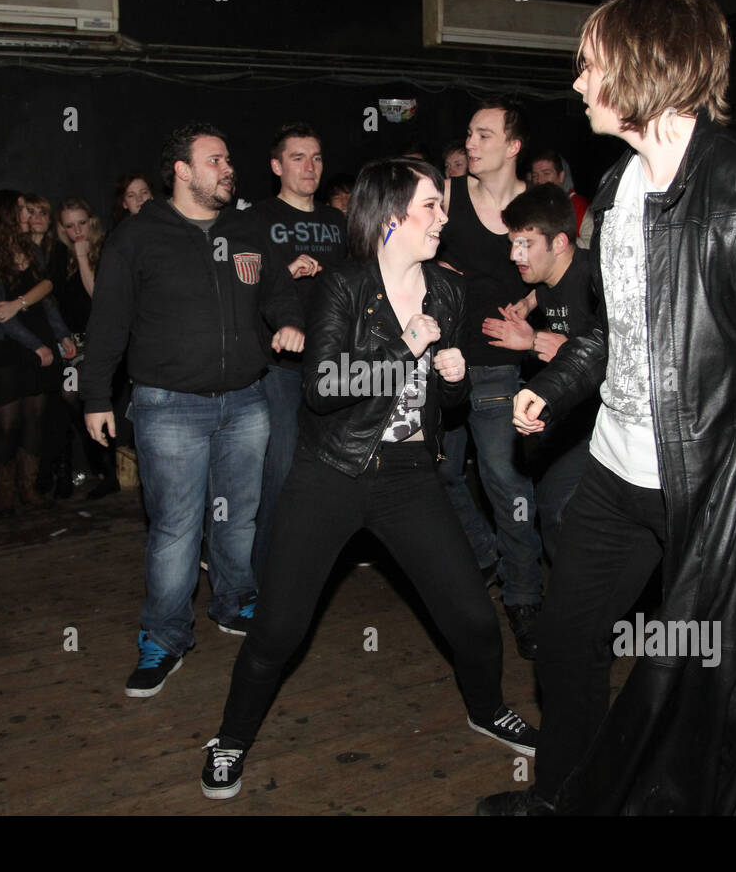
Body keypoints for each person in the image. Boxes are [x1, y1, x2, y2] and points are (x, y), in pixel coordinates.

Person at [479, 0, 736, 816]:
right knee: (565, 641)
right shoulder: (620, 189)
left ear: (639, 68)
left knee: (716, 691)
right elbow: (611, 329)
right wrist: (552, 388)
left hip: (718, 490)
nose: (579, 85)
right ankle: (565, 797)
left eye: (589, 66)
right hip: (615, 476)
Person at [200, 158, 537, 800]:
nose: (444, 216)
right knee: (278, 629)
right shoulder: (343, 286)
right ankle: (231, 738)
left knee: (473, 619)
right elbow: (324, 388)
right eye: (432, 205)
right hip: (331, 473)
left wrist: (455, 379)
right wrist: (401, 348)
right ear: (391, 215)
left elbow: (446, 405)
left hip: (410, 475)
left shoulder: (448, 290)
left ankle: (486, 707)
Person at [82, 122, 305, 699]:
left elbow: (278, 289)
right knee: (177, 530)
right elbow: (107, 322)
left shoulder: (247, 226)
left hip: (247, 401)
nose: (228, 168)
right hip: (168, 407)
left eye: (228, 159)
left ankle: (233, 602)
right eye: (215, 160)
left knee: (239, 518)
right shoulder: (138, 236)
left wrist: (288, 320)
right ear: (182, 171)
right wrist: (95, 398)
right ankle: (163, 637)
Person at [436, 97, 545, 659]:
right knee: (438, 473)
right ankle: (484, 557)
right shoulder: (448, 198)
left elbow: (560, 271)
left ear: (512, 146)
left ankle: (525, 596)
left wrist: (527, 306)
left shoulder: (536, 206)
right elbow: (404, 253)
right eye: (469, 135)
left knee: (505, 481)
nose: (470, 145)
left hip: (501, 366)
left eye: (482, 136)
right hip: (445, 361)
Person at [249, 123, 347, 587]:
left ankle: (310, 570)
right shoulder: (257, 220)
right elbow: (244, 291)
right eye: (297, 158)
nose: (309, 167)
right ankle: (265, 576)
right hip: (281, 369)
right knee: (282, 471)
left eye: (316, 157)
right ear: (276, 166)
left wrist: (326, 271)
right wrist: (284, 275)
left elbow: (358, 287)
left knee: (330, 474)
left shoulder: (338, 222)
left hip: (334, 367)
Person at [480, 185, 599, 560]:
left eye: (526, 244)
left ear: (560, 242)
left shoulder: (594, 278)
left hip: (604, 427)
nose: (515, 255)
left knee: (566, 516)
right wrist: (531, 317)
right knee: (553, 511)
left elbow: (615, 350)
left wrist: (540, 343)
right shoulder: (546, 284)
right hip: (574, 422)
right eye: (513, 243)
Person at [0, 189, 75, 515]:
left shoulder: (31, 248)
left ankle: (28, 489)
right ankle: (5, 492)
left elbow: (46, 298)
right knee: (6, 423)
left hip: (37, 337)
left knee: (35, 418)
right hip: (5, 345)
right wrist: (38, 346)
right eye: (20, 210)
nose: (27, 216)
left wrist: (61, 336)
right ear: (3, 214)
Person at [48, 197, 117, 501]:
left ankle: (108, 472)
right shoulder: (58, 257)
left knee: (86, 396)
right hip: (71, 342)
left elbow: (97, 296)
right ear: (61, 228)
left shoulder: (106, 249)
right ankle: (98, 467)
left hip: (102, 340)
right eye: (70, 226)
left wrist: (82, 254)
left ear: (92, 221)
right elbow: (53, 301)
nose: (77, 230)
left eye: (82, 223)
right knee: (69, 397)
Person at [528, 148, 590, 235]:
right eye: (535, 175)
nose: (540, 180)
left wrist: (555, 241)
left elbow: (590, 243)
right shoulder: (529, 206)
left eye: (546, 173)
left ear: (561, 176)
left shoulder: (578, 206)